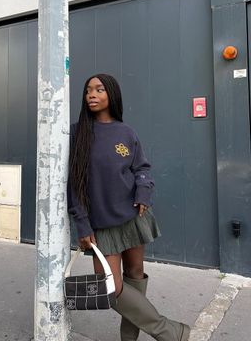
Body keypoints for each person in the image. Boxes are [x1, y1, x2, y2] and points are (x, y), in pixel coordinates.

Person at [68, 73, 190, 341]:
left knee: (135, 275)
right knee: (111, 287)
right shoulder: (78, 133)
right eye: (88, 90)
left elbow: (141, 169)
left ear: (112, 95)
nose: (92, 94)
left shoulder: (126, 132)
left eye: (99, 89)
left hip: (133, 216)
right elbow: (74, 184)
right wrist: (82, 223)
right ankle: (169, 331)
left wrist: (144, 193)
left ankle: (129, 339)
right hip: (101, 224)